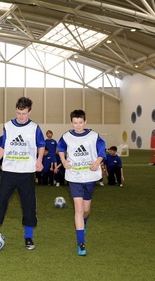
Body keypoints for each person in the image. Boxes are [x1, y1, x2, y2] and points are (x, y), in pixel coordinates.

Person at [0, 97, 45, 251]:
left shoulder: (35, 128)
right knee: (1, 201)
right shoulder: (8, 126)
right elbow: (3, 147)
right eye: (18, 113)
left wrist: (39, 160)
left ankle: (28, 237)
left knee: (28, 204)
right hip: (8, 172)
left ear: (29, 111)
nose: (21, 116)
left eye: (24, 113)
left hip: (26, 172)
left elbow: (41, 145)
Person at [57, 109, 106, 256]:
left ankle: (84, 222)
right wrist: (63, 160)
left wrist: (97, 162)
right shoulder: (66, 136)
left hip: (89, 176)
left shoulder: (94, 136)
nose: (78, 126)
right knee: (78, 210)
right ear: (71, 123)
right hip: (74, 177)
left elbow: (102, 151)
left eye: (80, 123)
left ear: (85, 122)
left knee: (85, 210)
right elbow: (60, 148)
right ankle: (81, 243)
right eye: (75, 123)